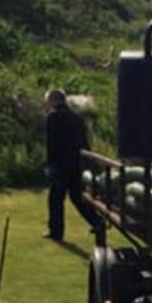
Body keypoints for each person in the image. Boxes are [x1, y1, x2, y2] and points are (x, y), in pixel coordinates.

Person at [44, 89, 102, 242]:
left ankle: (56, 232)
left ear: (54, 100)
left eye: (48, 101)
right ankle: (97, 221)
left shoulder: (53, 117)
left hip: (60, 164)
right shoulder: (77, 118)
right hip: (77, 164)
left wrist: (50, 165)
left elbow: (52, 144)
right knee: (77, 197)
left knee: (56, 199)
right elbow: (84, 143)